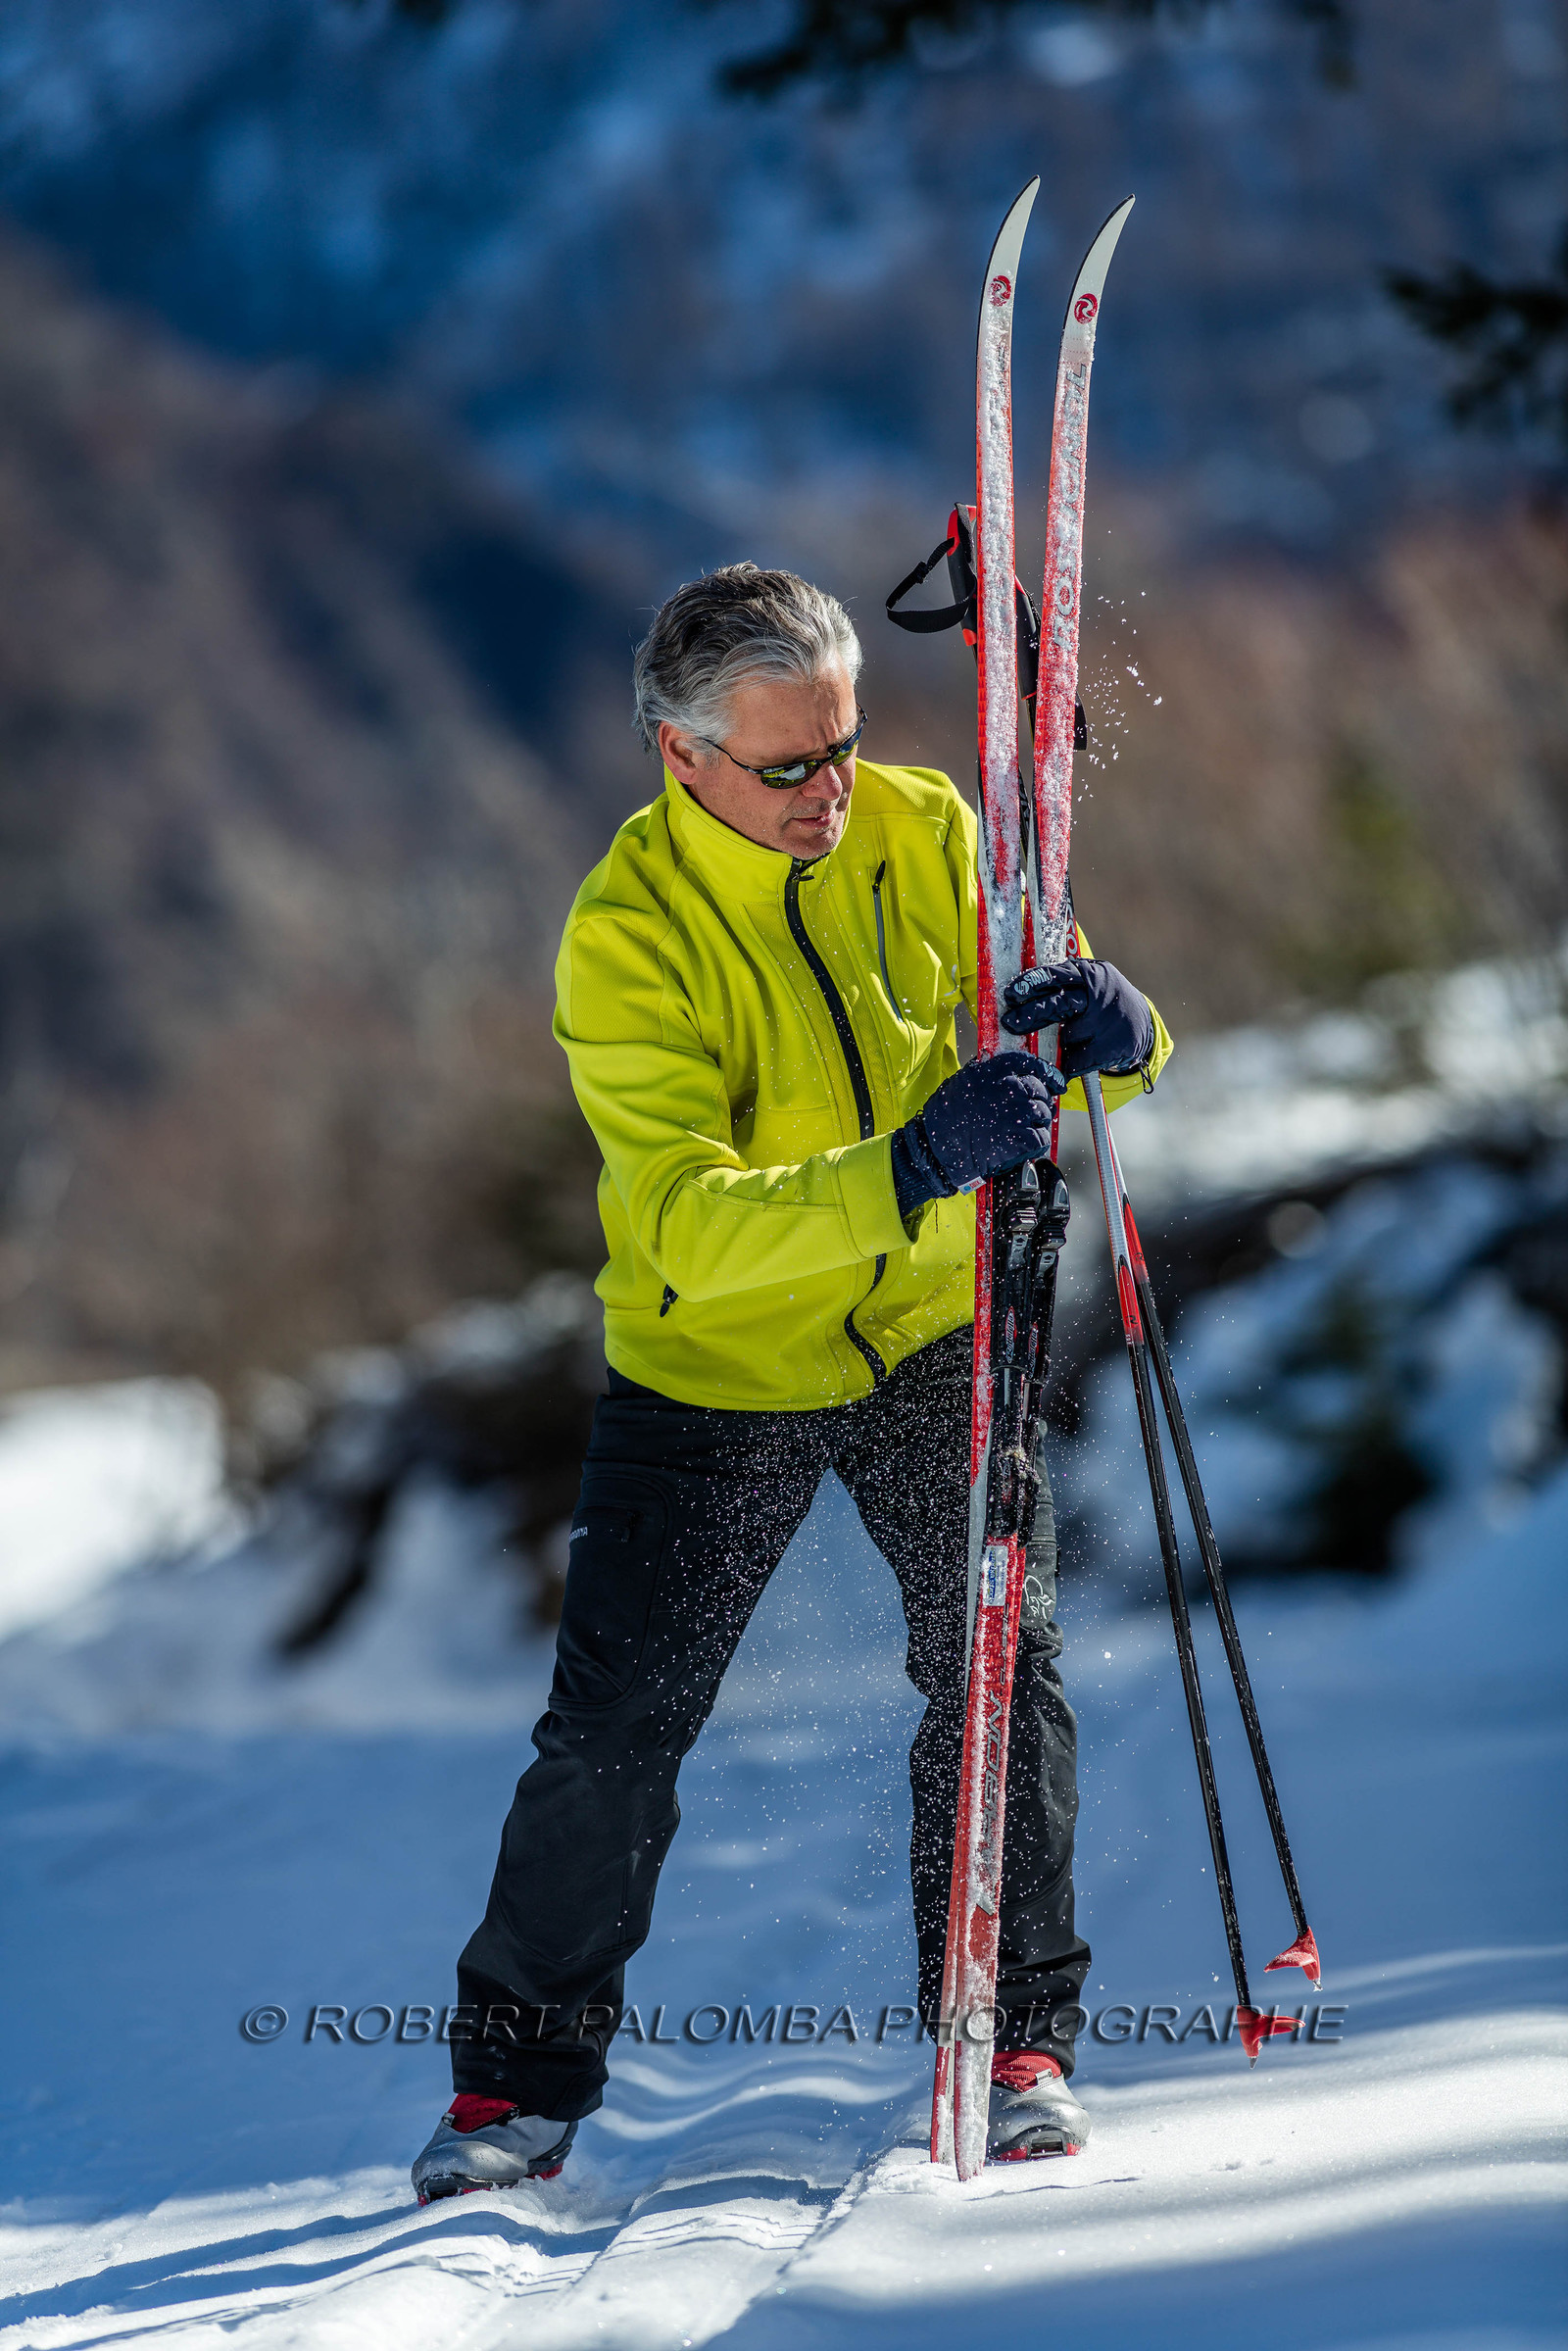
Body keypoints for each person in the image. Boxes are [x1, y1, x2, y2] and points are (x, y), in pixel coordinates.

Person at [411, 563, 1170, 2202]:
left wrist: (1127, 1026)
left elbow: (1071, 1009)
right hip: (711, 1367)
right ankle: (512, 2098)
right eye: (786, 768)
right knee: (617, 1731)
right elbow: (683, 1225)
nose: (832, 793)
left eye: (842, 746)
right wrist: (908, 1162)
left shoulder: (929, 828)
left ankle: (1009, 2034)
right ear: (680, 756)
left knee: (994, 1668)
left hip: (929, 1333)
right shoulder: (627, 939)